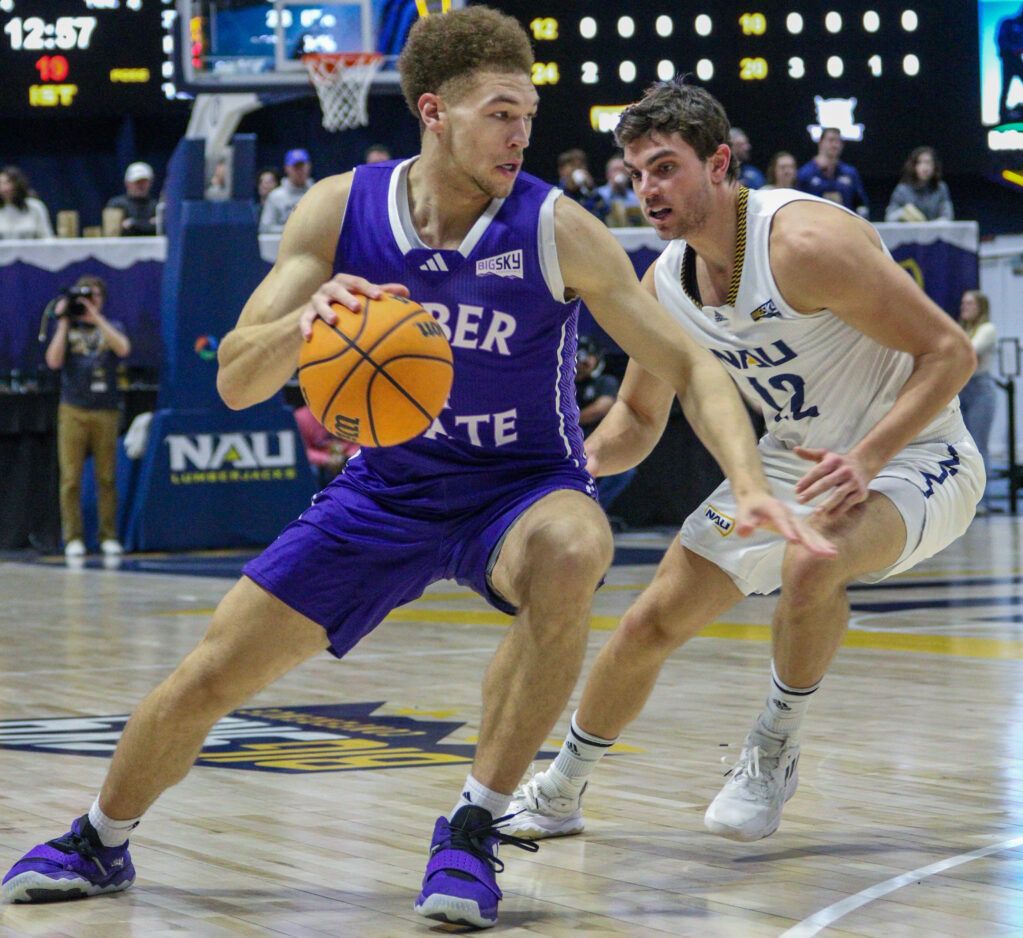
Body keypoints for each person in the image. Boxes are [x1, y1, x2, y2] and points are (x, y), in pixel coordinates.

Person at [1, 10, 829, 929]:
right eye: (499, 112)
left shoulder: (557, 227)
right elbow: (236, 378)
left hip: (519, 489)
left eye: (529, 112)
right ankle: (99, 837)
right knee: (209, 675)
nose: (521, 133)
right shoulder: (340, 209)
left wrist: (750, 485)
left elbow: (691, 368)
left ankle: (474, 827)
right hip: (383, 490)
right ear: (434, 112)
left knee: (573, 543)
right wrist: (310, 314)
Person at [507, 79, 982, 848]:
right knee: (650, 619)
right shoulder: (664, 281)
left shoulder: (800, 244)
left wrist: (866, 457)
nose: (646, 188)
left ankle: (772, 745)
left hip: (917, 454)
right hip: (793, 464)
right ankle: (559, 790)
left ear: (719, 163)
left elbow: (950, 353)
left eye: (664, 167)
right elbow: (635, 417)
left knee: (808, 565)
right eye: (634, 173)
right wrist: (567, 475)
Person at [42, 275, 131, 559]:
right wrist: (64, 321)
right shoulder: (68, 328)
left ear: (102, 300)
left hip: (105, 409)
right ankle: (73, 538)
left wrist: (97, 318)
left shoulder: (112, 326)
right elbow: (53, 361)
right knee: (71, 478)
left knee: (106, 477)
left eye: (95, 297)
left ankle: (108, 536)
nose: (90, 302)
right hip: (73, 408)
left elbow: (123, 349)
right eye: (85, 298)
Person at [575, 335, 636, 512]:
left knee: (625, 470)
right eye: (577, 361)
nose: (579, 366)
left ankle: (592, 510)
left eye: (585, 361)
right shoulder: (563, 382)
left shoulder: (604, 382)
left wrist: (569, 417)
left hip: (596, 441)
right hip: (568, 441)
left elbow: (602, 407)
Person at [958, 290, 998, 514]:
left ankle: (982, 501)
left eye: (969, 303)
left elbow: (967, 352)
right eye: (963, 303)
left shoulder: (987, 330)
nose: (964, 307)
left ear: (980, 306)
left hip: (980, 390)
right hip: (960, 389)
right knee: (961, 447)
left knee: (979, 447)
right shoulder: (962, 329)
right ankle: (964, 502)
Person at [796, 127, 869, 218]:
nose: (835, 145)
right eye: (831, 140)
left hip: (844, 225)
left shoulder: (850, 173)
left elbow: (861, 204)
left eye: (838, 141)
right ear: (820, 143)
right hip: (815, 226)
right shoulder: (805, 174)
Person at [885, 146, 954, 222]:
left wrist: (930, 226)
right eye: (919, 163)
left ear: (934, 166)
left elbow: (948, 216)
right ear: (913, 166)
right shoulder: (902, 190)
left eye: (928, 163)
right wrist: (903, 212)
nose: (924, 167)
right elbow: (889, 218)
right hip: (909, 232)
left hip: (934, 232)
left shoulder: (940, 188)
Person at [259, 149, 314, 233]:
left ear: (308, 166)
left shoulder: (317, 194)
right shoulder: (276, 196)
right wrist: (292, 230)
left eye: (302, 166)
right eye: (296, 167)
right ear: (287, 168)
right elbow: (266, 227)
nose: (299, 171)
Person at [0, 165, 54, 239]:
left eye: (8, 183)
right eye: (1, 184)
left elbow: (47, 237)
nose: (4, 188)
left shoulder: (35, 207)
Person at [556, 147, 609, 221]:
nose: (577, 169)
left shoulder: (588, 195)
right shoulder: (556, 194)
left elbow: (606, 212)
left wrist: (591, 189)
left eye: (581, 166)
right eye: (573, 165)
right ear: (561, 170)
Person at [106, 162, 158, 236]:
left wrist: (133, 223)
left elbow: (159, 229)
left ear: (151, 183)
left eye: (144, 182)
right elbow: (112, 232)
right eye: (137, 182)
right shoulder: (116, 204)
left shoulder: (156, 206)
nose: (141, 186)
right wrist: (148, 224)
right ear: (127, 183)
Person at [597, 154, 643, 226]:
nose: (619, 173)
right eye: (615, 170)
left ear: (628, 175)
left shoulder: (635, 197)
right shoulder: (598, 194)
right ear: (608, 174)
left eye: (622, 170)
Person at [998, 4, 1023, 123]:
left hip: (1016, 59)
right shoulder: (1008, 23)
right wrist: (1012, 49)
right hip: (1008, 60)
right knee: (1005, 87)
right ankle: (1002, 113)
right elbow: (1001, 40)